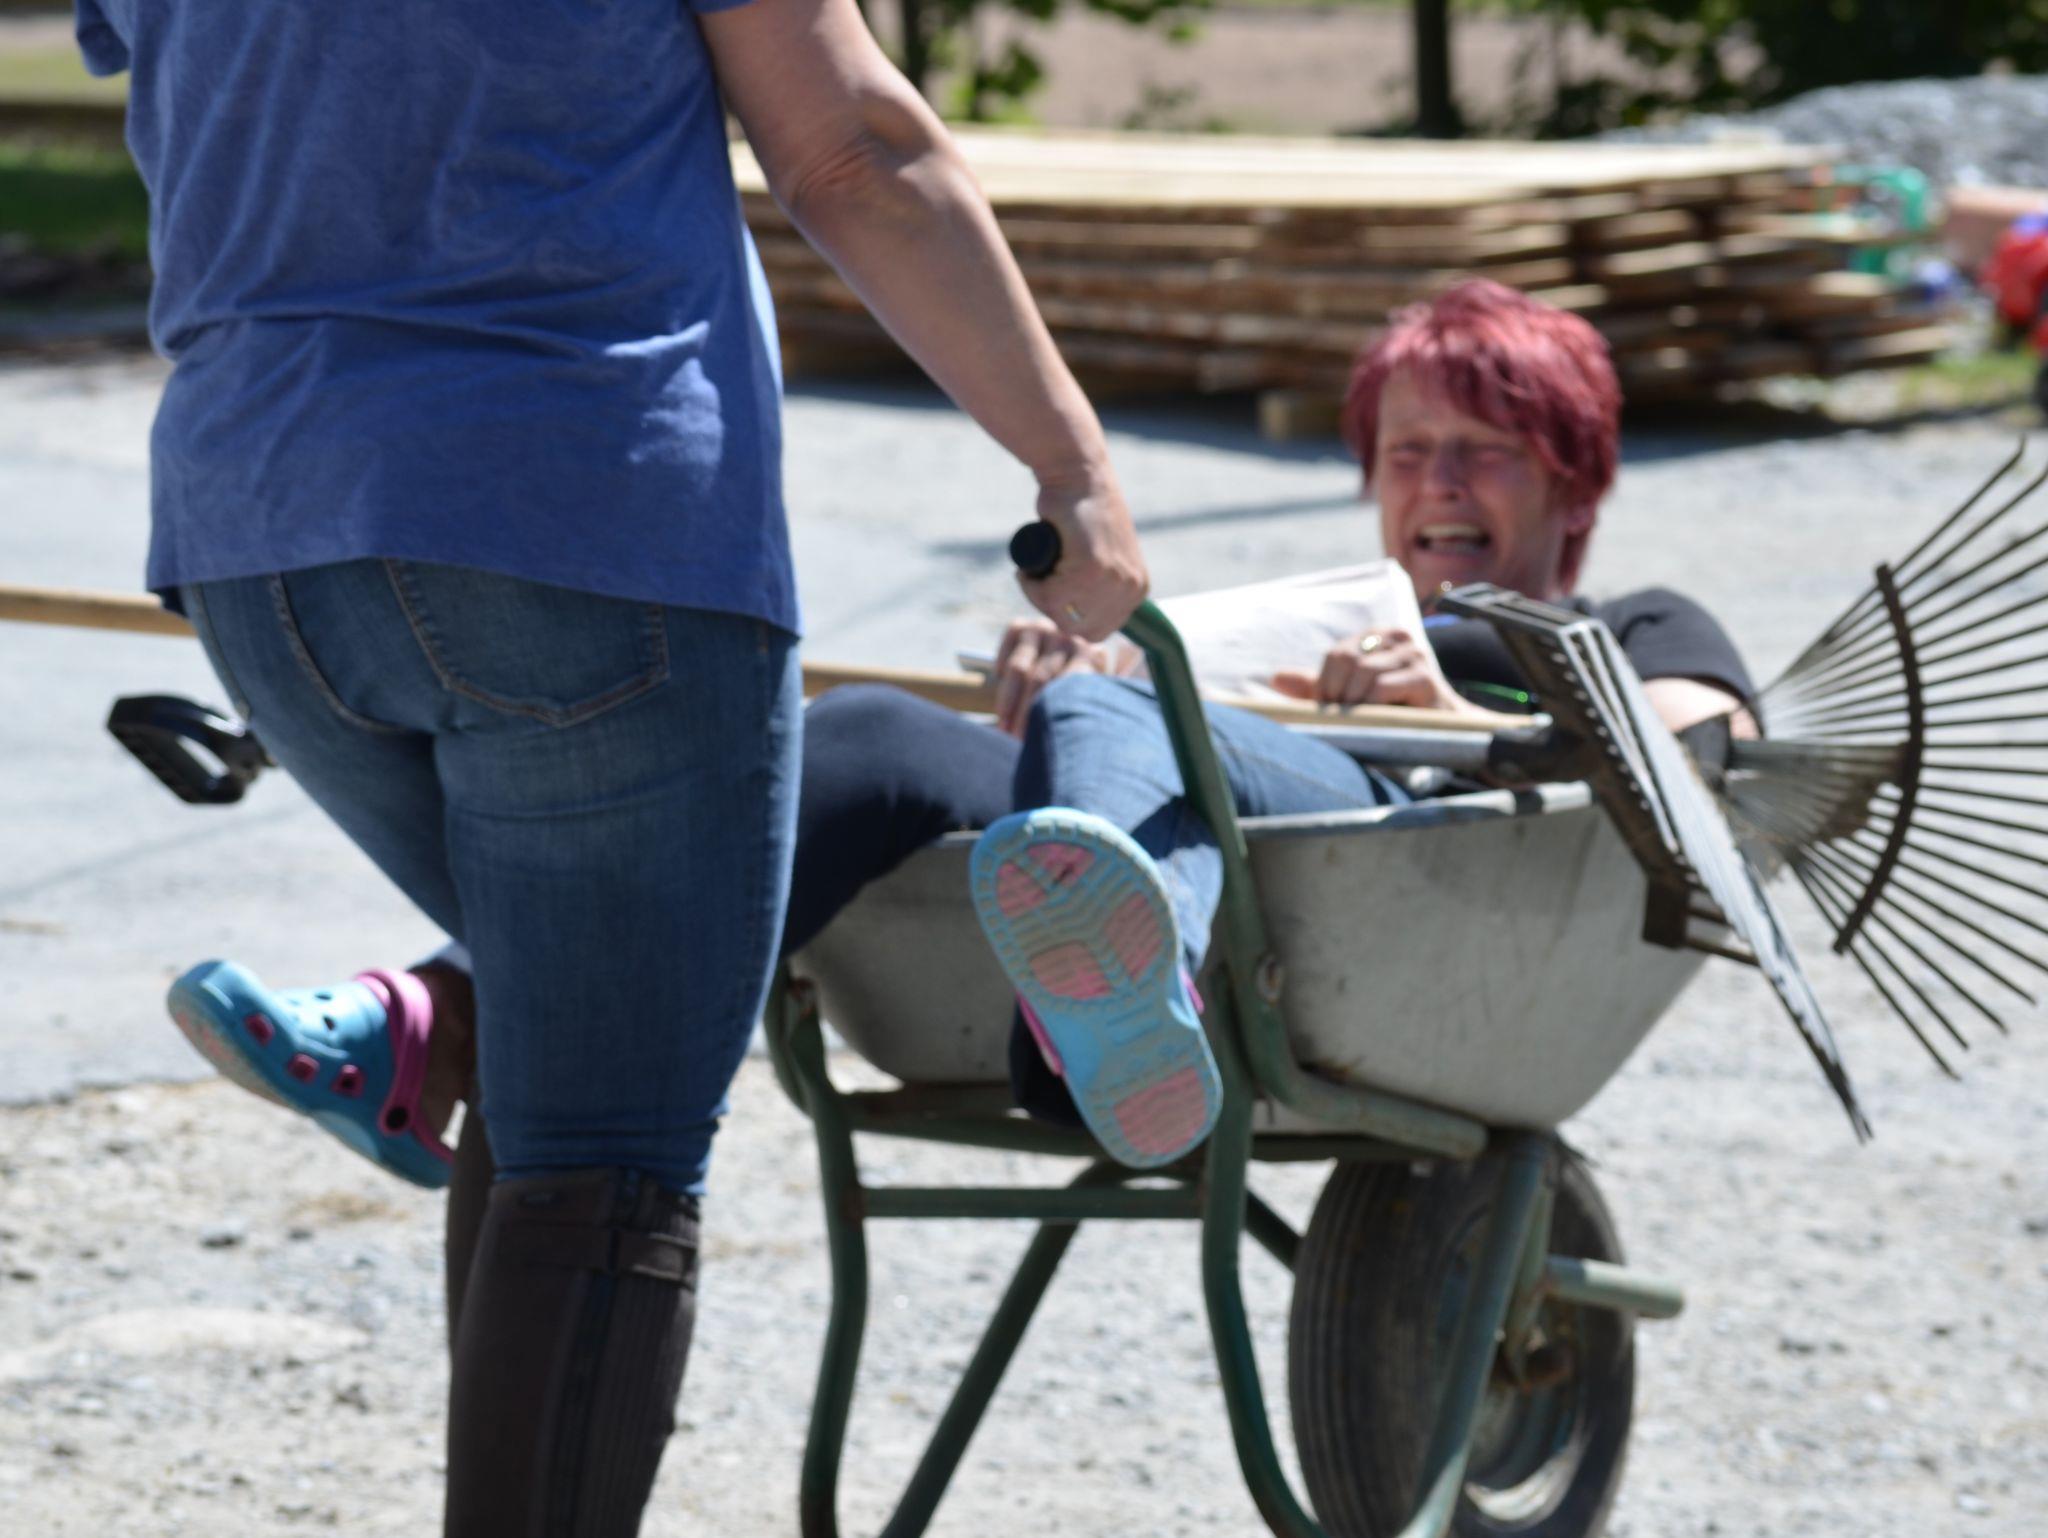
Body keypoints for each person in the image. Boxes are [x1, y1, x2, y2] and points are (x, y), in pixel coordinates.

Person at [172, 279, 1755, 1322]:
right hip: (1207, 851)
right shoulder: (1313, 614)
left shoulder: (1632, 626)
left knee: (1117, 703)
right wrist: (1083, 664)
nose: (1441, 486)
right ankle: (440, 1021)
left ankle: (1105, 1001)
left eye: (1485, 454)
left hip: (1398, 887)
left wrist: (1457, 706)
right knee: (867, 730)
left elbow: (1702, 754)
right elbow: (1127, 697)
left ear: (1573, 481)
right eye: (1410, 453)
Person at [86, 0, 1150, 1531]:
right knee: (605, 1155)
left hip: (258, 542)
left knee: (556, 1067)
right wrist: (1072, 466)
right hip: (580, 530)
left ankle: (419, 1029)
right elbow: (851, 150)